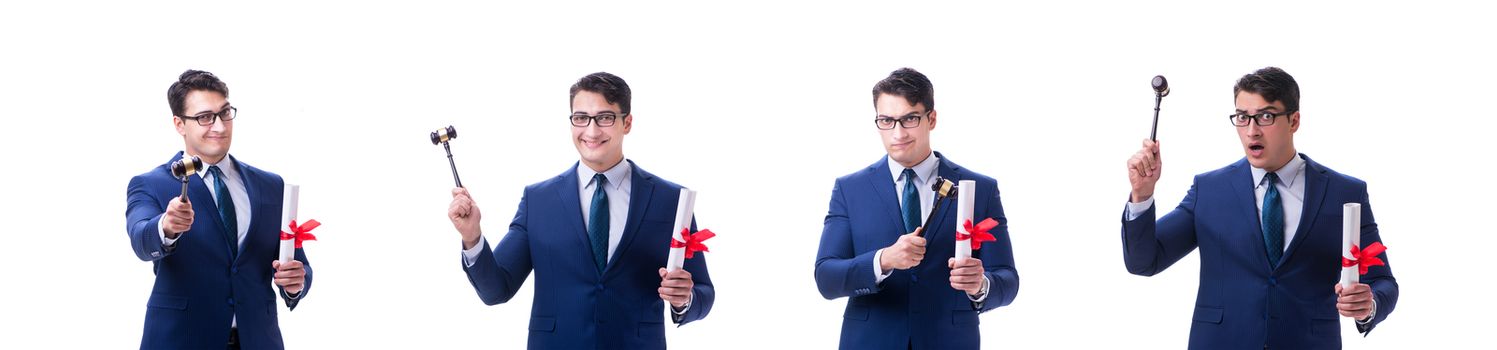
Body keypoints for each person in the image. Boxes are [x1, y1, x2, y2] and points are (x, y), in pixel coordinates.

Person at [1121, 66, 1398, 349]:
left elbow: (1384, 282)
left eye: (1266, 116)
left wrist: (1370, 305)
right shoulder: (1209, 190)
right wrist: (1142, 195)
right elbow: (1144, 261)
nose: (1252, 131)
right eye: (1242, 117)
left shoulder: (1344, 193)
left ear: (1294, 120)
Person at [448, 72, 715, 349]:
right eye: (581, 118)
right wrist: (472, 237)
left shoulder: (669, 199)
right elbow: (496, 290)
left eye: (605, 117)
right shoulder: (539, 200)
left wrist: (685, 299)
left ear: (628, 123)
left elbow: (704, 293)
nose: (591, 130)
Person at [814, 67, 1019, 349]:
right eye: (886, 120)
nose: (897, 132)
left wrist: (980, 285)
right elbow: (826, 277)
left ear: (931, 118)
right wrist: (883, 260)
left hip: (949, 341)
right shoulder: (850, 189)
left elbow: (1008, 279)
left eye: (909, 118)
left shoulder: (980, 188)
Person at [125, 70, 312, 349]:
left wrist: (296, 282)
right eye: (204, 117)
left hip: (258, 341)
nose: (220, 126)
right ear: (179, 124)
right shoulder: (151, 184)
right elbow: (142, 238)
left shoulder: (270, 185)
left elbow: (297, 263)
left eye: (225, 113)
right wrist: (166, 226)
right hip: (181, 340)